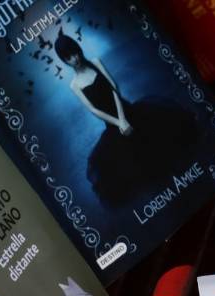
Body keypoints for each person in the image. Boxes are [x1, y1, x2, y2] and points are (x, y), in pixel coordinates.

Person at [54, 28, 198, 207]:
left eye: (74, 53)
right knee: (126, 165)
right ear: (65, 61)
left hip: (127, 110)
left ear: (78, 49)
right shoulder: (74, 84)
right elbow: (93, 110)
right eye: (68, 58)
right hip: (112, 124)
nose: (74, 59)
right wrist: (117, 123)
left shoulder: (95, 63)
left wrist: (122, 117)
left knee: (161, 134)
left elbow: (113, 87)